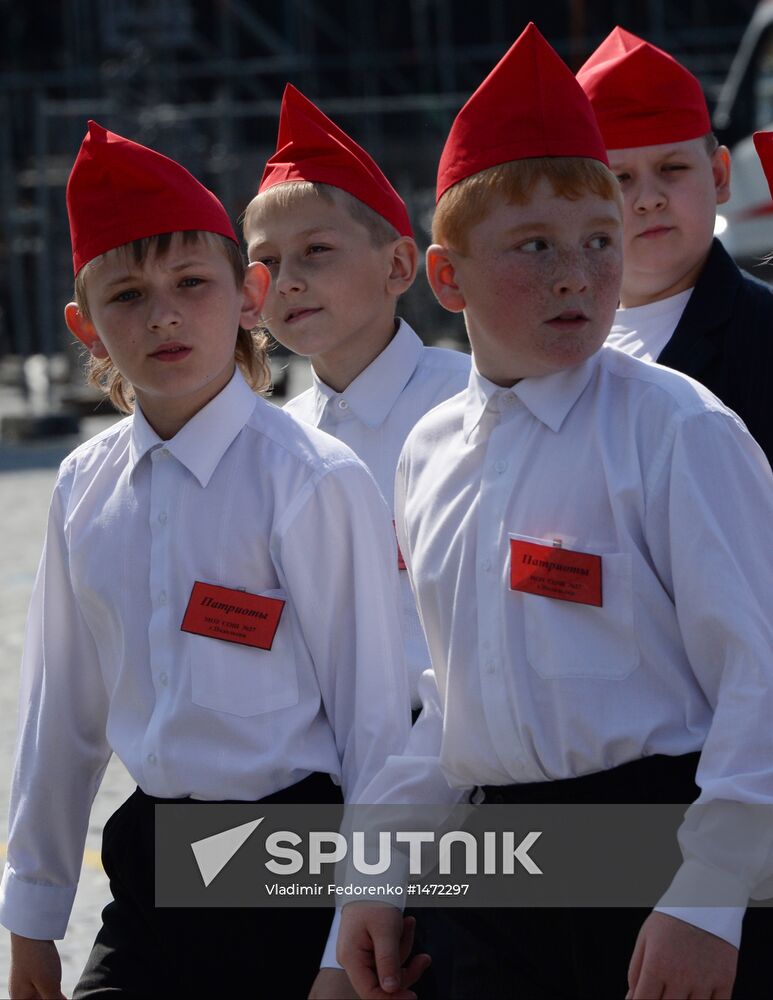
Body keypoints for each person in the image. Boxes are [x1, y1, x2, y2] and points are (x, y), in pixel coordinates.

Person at [334, 23, 773, 1000]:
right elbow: (449, 697)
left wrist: (710, 893)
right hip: (495, 870)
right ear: (445, 276)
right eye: (533, 246)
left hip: (656, 855)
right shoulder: (427, 453)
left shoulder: (676, 430)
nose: (576, 272)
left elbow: (761, 675)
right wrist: (369, 876)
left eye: (597, 241)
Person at [0, 120, 412, 999]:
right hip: (153, 868)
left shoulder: (309, 479)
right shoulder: (83, 485)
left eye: (191, 282)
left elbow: (373, 723)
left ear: (249, 293)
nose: (164, 315)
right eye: (127, 296)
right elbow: (59, 718)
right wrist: (32, 922)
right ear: (86, 326)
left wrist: (345, 948)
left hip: (296, 869)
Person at [242, 83, 470, 717]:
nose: (288, 280)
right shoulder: (271, 440)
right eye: (265, 262)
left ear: (398, 266)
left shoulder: (475, 408)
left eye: (317, 250)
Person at [577, 26, 773, 464]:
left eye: (673, 168)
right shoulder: (552, 343)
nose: (650, 199)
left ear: (720, 176)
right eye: (620, 179)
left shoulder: (764, 339)